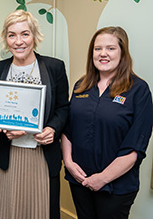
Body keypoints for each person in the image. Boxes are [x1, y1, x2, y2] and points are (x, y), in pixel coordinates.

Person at [61, 26, 153, 219]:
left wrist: (102, 178)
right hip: (80, 180)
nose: (103, 54)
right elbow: (68, 129)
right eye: (97, 48)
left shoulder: (139, 90)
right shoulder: (81, 85)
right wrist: (69, 163)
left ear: (123, 53)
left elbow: (136, 147)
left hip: (116, 187)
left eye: (111, 48)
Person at [0, 10, 69, 219]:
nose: (19, 41)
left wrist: (52, 128)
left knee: (40, 210)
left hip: (42, 155)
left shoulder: (54, 67)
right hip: (11, 155)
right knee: (10, 209)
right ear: (6, 39)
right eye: (12, 35)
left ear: (34, 36)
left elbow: (63, 108)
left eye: (25, 34)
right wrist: (2, 129)